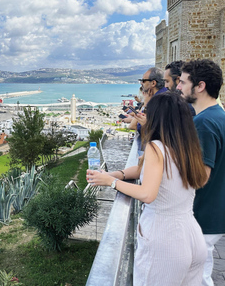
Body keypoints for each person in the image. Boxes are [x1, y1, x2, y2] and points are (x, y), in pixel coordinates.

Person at [87, 92, 208, 285]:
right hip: (192, 235)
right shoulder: (186, 147)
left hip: (165, 240)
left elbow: (147, 193)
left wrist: (111, 183)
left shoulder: (155, 147)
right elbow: (149, 172)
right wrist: (115, 174)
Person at [177, 59, 225, 286]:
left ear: (200, 86)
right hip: (214, 214)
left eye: (183, 82)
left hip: (202, 216)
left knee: (194, 279)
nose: (178, 87)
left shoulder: (204, 123)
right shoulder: (219, 116)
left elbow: (200, 177)